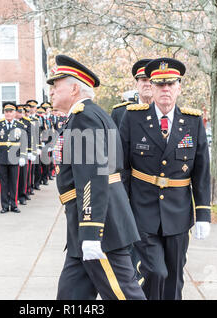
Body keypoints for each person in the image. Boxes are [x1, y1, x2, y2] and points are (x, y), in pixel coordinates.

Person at [48, 54, 146, 300]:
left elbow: (93, 175)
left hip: (101, 227)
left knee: (124, 294)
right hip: (84, 224)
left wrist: (92, 231)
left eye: (55, 85)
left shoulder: (84, 117)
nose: (51, 91)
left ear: (73, 88)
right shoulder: (87, 115)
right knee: (71, 295)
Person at [119, 57, 211, 300]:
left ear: (179, 87)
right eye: (160, 85)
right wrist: (121, 207)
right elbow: (122, 167)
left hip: (178, 213)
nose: (165, 90)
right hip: (142, 211)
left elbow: (201, 170)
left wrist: (203, 214)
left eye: (171, 84)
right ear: (152, 87)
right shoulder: (133, 118)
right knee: (155, 272)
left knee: (174, 276)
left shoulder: (192, 122)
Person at [0, 102, 27, 213]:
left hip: (15, 157)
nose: (8, 114)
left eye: (10, 112)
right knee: (4, 183)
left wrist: (23, 156)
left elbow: (24, 142)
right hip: (2, 157)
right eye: (6, 112)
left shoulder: (20, 126)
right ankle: (5, 205)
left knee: (14, 182)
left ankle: (14, 204)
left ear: (14, 113)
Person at [111, 59, 153, 128]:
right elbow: (111, 138)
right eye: (144, 80)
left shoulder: (164, 111)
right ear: (136, 84)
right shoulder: (120, 113)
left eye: (151, 80)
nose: (148, 84)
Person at [15, 104, 32, 205]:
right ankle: (13, 195)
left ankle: (22, 195)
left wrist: (30, 151)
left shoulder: (27, 122)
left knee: (23, 174)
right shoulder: (12, 123)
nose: (20, 113)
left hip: (23, 151)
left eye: (22, 112)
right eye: (19, 112)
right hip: (12, 151)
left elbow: (30, 137)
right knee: (13, 175)